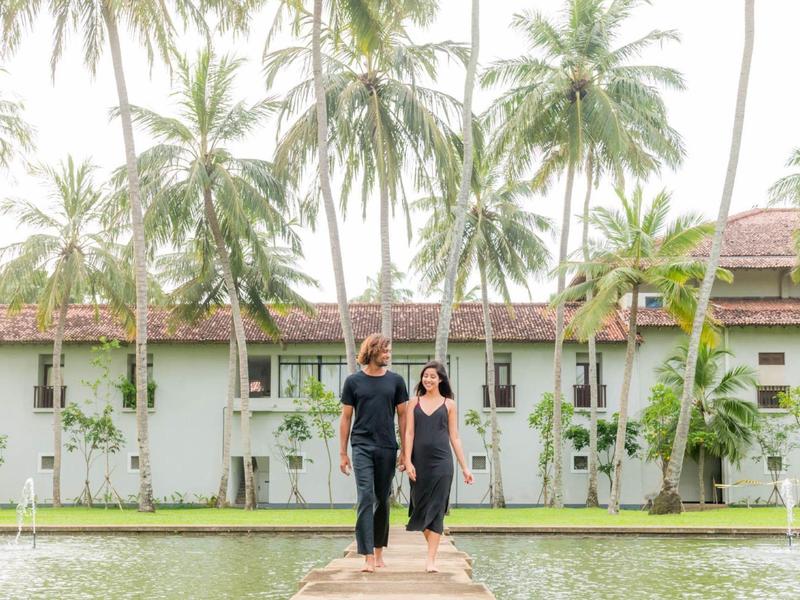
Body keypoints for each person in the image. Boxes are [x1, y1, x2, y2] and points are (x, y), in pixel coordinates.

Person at [339, 333, 409, 573]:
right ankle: (367, 555)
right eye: (384, 350)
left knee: (382, 500)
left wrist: (405, 453)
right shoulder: (353, 382)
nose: (388, 354)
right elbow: (346, 417)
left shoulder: (396, 382)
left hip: (388, 447)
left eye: (389, 350)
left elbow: (403, 416)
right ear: (371, 351)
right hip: (361, 446)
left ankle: (379, 551)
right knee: (365, 497)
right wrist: (342, 453)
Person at [404, 360, 473, 573]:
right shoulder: (413, 402)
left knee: (436, 510)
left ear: (440, 379)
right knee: (421, 509)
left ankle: (431, 559)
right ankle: (432, 545)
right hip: (419, 463)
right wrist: (407, 461)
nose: (428, 379)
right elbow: (409, 433)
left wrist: (465, 467)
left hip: (443, 463)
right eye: (425, 376)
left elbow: (455, 437)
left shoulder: (449, 404)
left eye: (433, 376)